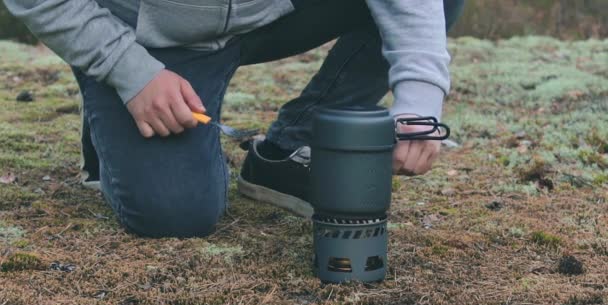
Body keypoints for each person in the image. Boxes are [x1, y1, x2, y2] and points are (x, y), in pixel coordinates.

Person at [4, 0, 465, 237]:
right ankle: (112, 102)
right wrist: (129, 70)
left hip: (268, 16)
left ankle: (289, 151)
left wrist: (420, 101)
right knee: (175, 215)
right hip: (146, 38)